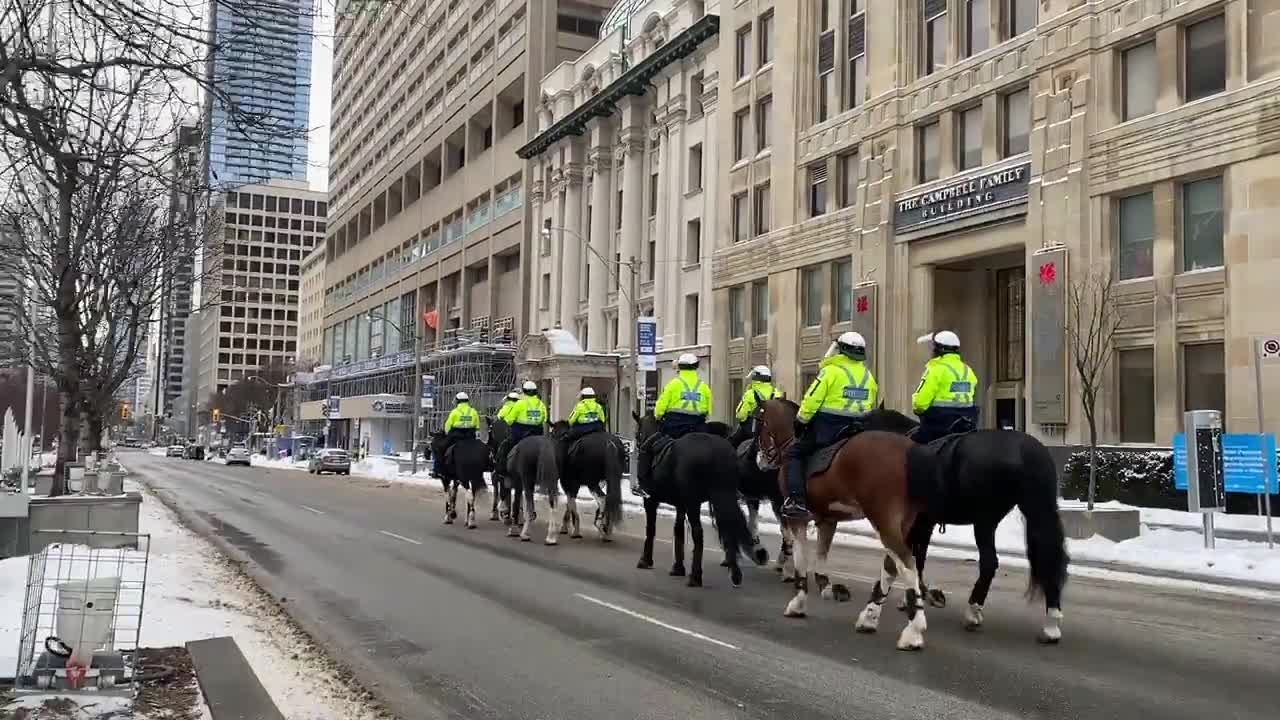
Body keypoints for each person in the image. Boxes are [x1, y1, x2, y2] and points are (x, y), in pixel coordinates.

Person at [782, 331, 879, 518]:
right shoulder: (868, 376)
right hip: (855, 430)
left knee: (793, 454)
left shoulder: (830, 372)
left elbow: (812, 399)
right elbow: (870, 404)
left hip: (827, 429)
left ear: (841, 351)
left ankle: (796, 500)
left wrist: (801, 420)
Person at [635, 353, 712, 498]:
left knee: (645, 448)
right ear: (695, 367)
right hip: (698, 430)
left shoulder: (672, 385)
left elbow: (659, 410)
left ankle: (643, 484)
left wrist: (658, 417)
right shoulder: (704, 387)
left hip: (673, 429)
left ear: (680, 368)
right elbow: (708, 412)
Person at [912, 330, 979, 444]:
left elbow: (920, 404)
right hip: (967, 423)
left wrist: (917, 408)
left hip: (939, 426)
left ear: (939, 349)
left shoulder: (936, 369)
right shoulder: (968, 370)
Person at [497, 381, 547, 470]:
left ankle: (501, 470)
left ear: (524, 391)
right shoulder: (541, 404)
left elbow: (509, 419)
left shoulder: (520, 403)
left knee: (504, 447)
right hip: (537, 433)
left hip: (520, 433)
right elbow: (545, 418)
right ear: (535, 391)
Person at [731, 365, 784, 447]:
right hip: (773, 430)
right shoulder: (777, 393)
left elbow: (740, 415)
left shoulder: (750, 394)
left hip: (754, 430)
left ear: (756, 377)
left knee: (732, 443)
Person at [436, 391, 480, 478]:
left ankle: (439, 470)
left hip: (456, 436)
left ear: (458, 401)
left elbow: (448, 426)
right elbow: (477, 425)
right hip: (470, 436)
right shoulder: (473, 411)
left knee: (441, 448)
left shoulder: (455, 412)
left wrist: (447, 433)